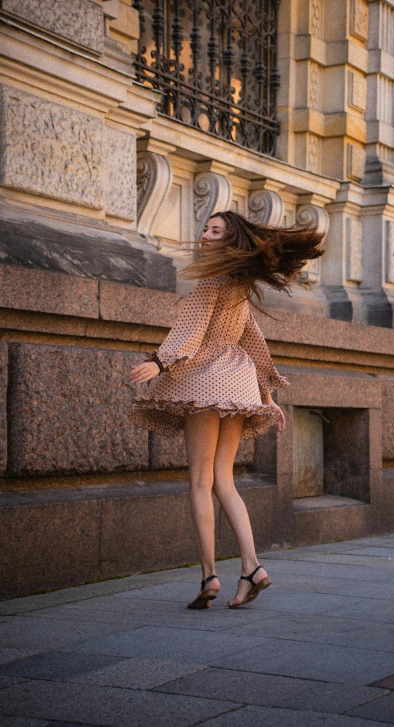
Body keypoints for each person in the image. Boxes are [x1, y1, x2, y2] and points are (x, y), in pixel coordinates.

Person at [129, 210, 324, 609]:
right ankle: (252, 568)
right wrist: (266, 392)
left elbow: (191, 332)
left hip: (206, 379)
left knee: (201, 481)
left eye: (215, 231)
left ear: (231, 240)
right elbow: (254, 340)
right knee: (225, 480)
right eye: (204, 228)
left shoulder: (211, 281)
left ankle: (209, 576)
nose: (204, 235)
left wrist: (160, 361)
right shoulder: (240, 284)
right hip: (237, 382)